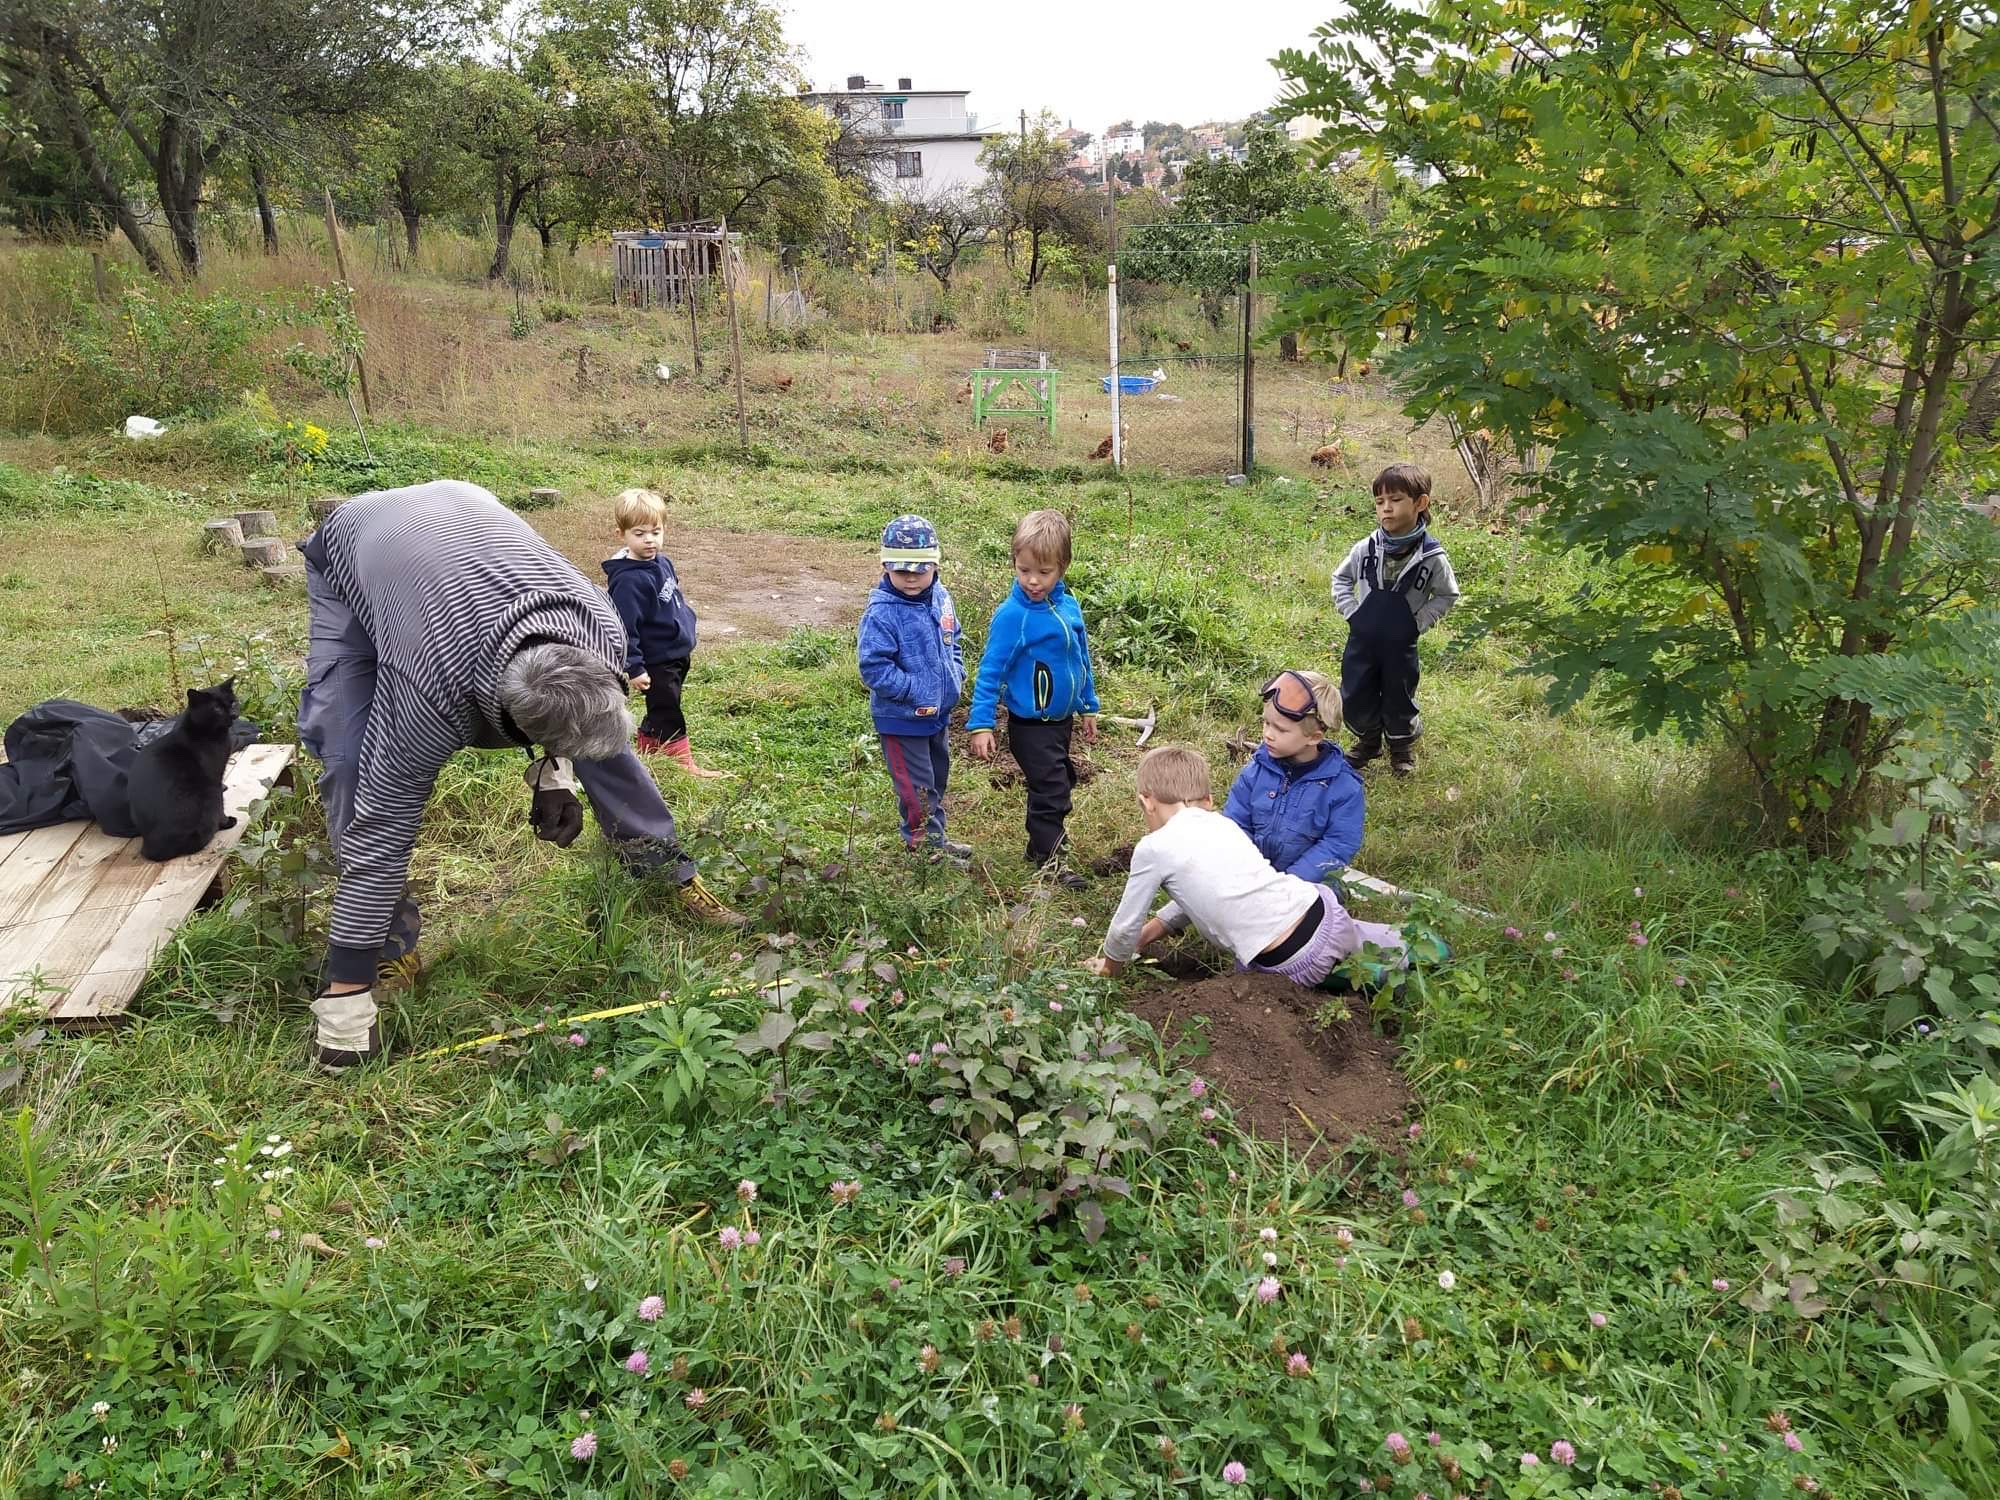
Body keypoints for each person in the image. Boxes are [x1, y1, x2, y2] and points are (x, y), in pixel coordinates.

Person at [298, 479, 743, 1073]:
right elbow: (383, 825)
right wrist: (345, 995)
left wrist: (554, 775)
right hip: (362, 545)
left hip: (467, 512)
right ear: (501, 714)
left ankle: (664, 868)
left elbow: (571, 717)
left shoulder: (599, 628)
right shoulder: (431, 696)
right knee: (352, 759)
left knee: (605, 746)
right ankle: (379, 955)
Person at [1085, 746, 1421, 990]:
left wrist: (1111, 968)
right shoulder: (1224, 826)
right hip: (1324, 912)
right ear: (1207, 800)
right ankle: (1404, 943)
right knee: (1335, 933)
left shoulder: (1153, 848)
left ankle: (1362, 980)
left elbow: (1123, 929)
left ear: (1147, 801)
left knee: (1252, 973)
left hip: (1292, 960)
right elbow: (1209, 889)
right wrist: (1152, 933)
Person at [965, 509, 1100, 888]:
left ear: (1063, 567)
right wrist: (981, 723)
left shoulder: (1068, 605)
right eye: (1024, 570)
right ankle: (1050, 858)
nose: (1033, 581)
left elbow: (1080, 657)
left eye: (1044, 572)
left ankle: (1037, 846)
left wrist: (1088, 704)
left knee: (1061, 779)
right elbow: (991, 671)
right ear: (1014, 563)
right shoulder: (1013, 616)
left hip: (1061, 722)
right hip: (1030, 725)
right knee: (1051, 788)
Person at [1332, 463, 1461, 776]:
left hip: (1400, 643)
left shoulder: (1432, 558)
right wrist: (1353, 612)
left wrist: (1418, 623)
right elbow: (1340, 579)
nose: (1386, 508)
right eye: (1380, 502)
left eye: (1396, 500)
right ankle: (1368, 741)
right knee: (1357, 690)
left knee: (1398, 693)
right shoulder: (1365, 549)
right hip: (1362, 638)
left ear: (1420, 503)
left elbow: (1447, 595)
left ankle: (1401, 747)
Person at [857, 513, 970, 866]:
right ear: (885, 565)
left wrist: (956, 674)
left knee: (937, 778)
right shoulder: (882, 613)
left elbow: (954, 639)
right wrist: (917, 689)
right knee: (917, 788)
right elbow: (874, 667)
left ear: (935, 565)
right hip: (902, 719)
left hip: (938, 714)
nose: (911, 577)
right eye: (901, 569)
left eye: (920, 570)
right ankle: (923, 849)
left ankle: (937, 838)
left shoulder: (940, 597)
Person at [602, 487, 727, 777]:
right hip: (656, 659)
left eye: (655, 532)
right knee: (668, 708)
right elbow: (624, 627)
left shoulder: (662, 562)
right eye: (639, 533)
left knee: (664, 703)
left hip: (676, 651)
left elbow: (672, 599)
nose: (649, 540)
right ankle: (683, 762)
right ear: (621, 534)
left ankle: (648, 748)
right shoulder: (628, 582)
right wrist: (634, 667)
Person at [1223, 669, 1365, 884]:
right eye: (1266, 723)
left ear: (1314, 737)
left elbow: (1338, 845)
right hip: (1251, 877)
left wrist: (1292, 882)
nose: (1267, 734)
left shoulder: (1344, 788)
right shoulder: (1256, 770)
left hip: (1307, 887)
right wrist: (1249, 870)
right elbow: (1236, 822)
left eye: (1280, 729)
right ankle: (1163, 919)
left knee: (1317, 911)